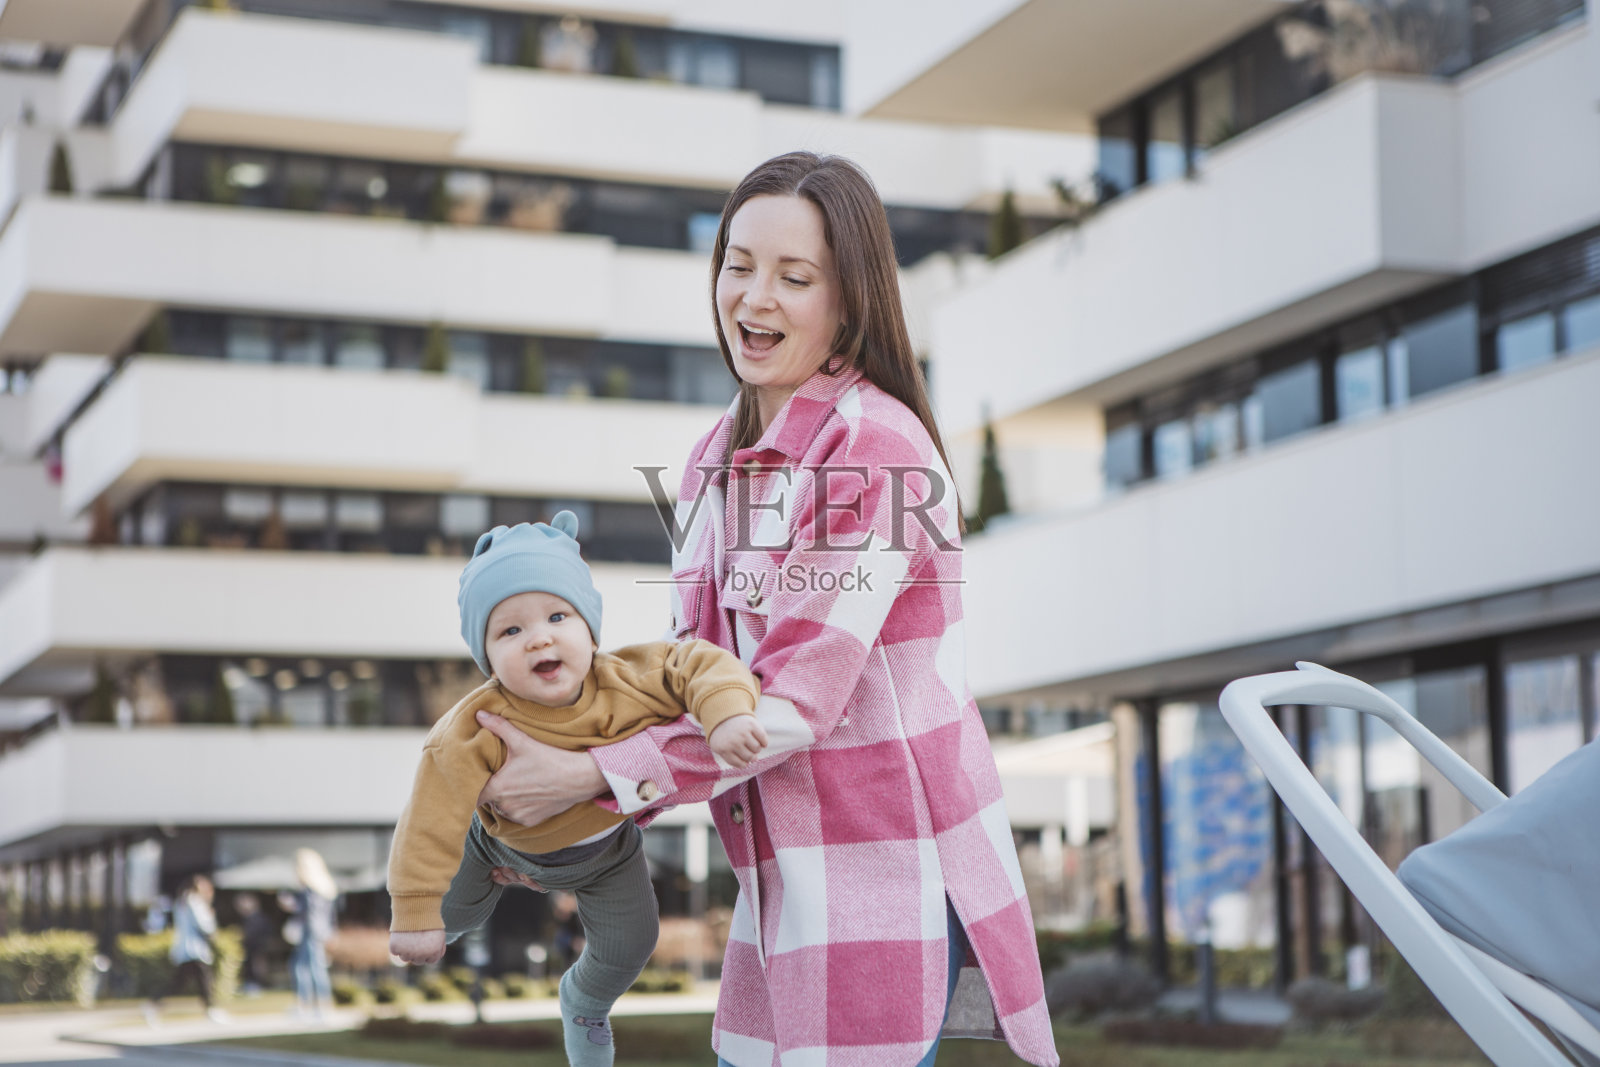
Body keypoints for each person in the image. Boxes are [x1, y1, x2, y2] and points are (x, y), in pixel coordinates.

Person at [474, 151, 1058, 1067]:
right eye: (738, 265)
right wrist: (559, 821)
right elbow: (690, 680)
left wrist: (586, 775)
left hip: (885, 876)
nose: (755, 297)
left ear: (849, 301)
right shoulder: (717, 456)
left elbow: (784, 705)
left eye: (795, 277)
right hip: (779, 878)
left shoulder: (877, 453)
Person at [386, 511, 766, 1067]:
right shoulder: (472, 726)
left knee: (632, 942)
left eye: (558, 615)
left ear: (589, 629)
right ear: (486, 657)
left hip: (607, 854)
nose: (538, 636)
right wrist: (415, 913)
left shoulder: (628, 679)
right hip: (494, 846)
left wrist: (725, 713)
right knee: (446, 920)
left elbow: (700, 663)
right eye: (509, 630)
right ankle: (446, 924)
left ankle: (585, 1001)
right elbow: (428, 819)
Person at [143, 874, 227, 1026]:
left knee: (183, 982)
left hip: (186, 949)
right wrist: (211, 926)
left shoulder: (182, 901)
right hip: (194, 949)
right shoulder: (194, 900)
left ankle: (154, 1003)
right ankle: (210, 1010)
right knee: (202, 979)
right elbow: (203, 923)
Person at [280, 847, 338, 1020]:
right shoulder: (326, 887)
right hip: (319, 931)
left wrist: (291, 905)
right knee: (309, 967)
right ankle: (316, 1006)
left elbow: (309, 912)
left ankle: (312, 1006)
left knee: (307, 967)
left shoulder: (309, 889)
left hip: (311, 932)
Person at [234, 891, 274, 995]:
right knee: (252, 966)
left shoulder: (258, 918)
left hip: (257, 946)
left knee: (257, 966)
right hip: (250, 947)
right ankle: (252, 984)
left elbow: (263, 931)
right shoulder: (247, 918)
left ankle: (257, 985)